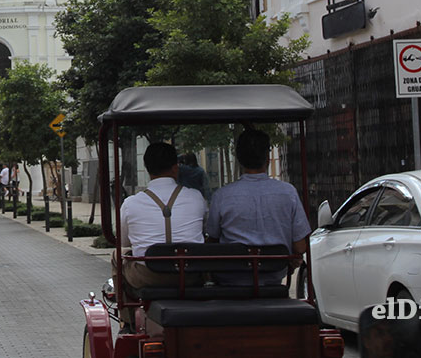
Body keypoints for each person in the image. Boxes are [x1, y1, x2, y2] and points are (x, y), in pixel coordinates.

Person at [114, 143, 206, 331]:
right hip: (190, 274)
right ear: (175, 168)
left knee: (117, 256)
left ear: (147, 169)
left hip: (148, 276)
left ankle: (128, 321)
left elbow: (123, 242)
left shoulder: (130, 203)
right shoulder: (196, 197)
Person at [206, 128, 311, 285]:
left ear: (239, 159)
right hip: (274, 276)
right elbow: (300, 246)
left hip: (230, 279)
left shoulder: (222, 196)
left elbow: (212, 241)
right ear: (268, 158)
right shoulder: (288, 193)